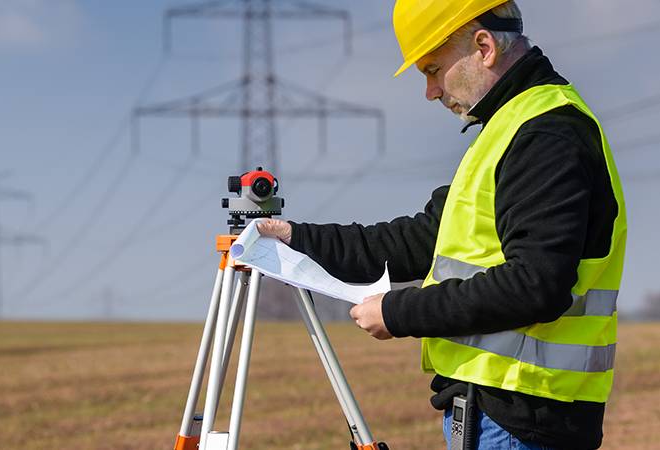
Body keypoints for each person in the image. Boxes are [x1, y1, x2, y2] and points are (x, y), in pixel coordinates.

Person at [255, 1, 626, 449]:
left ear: (484, 46)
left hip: (522, 415)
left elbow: (534, 285)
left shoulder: (544, 135)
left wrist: (398, 312)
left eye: (433, 69)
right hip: (502, 410)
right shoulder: (509, 129)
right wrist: (298, 239)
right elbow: (419, 239)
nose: (430, 91)